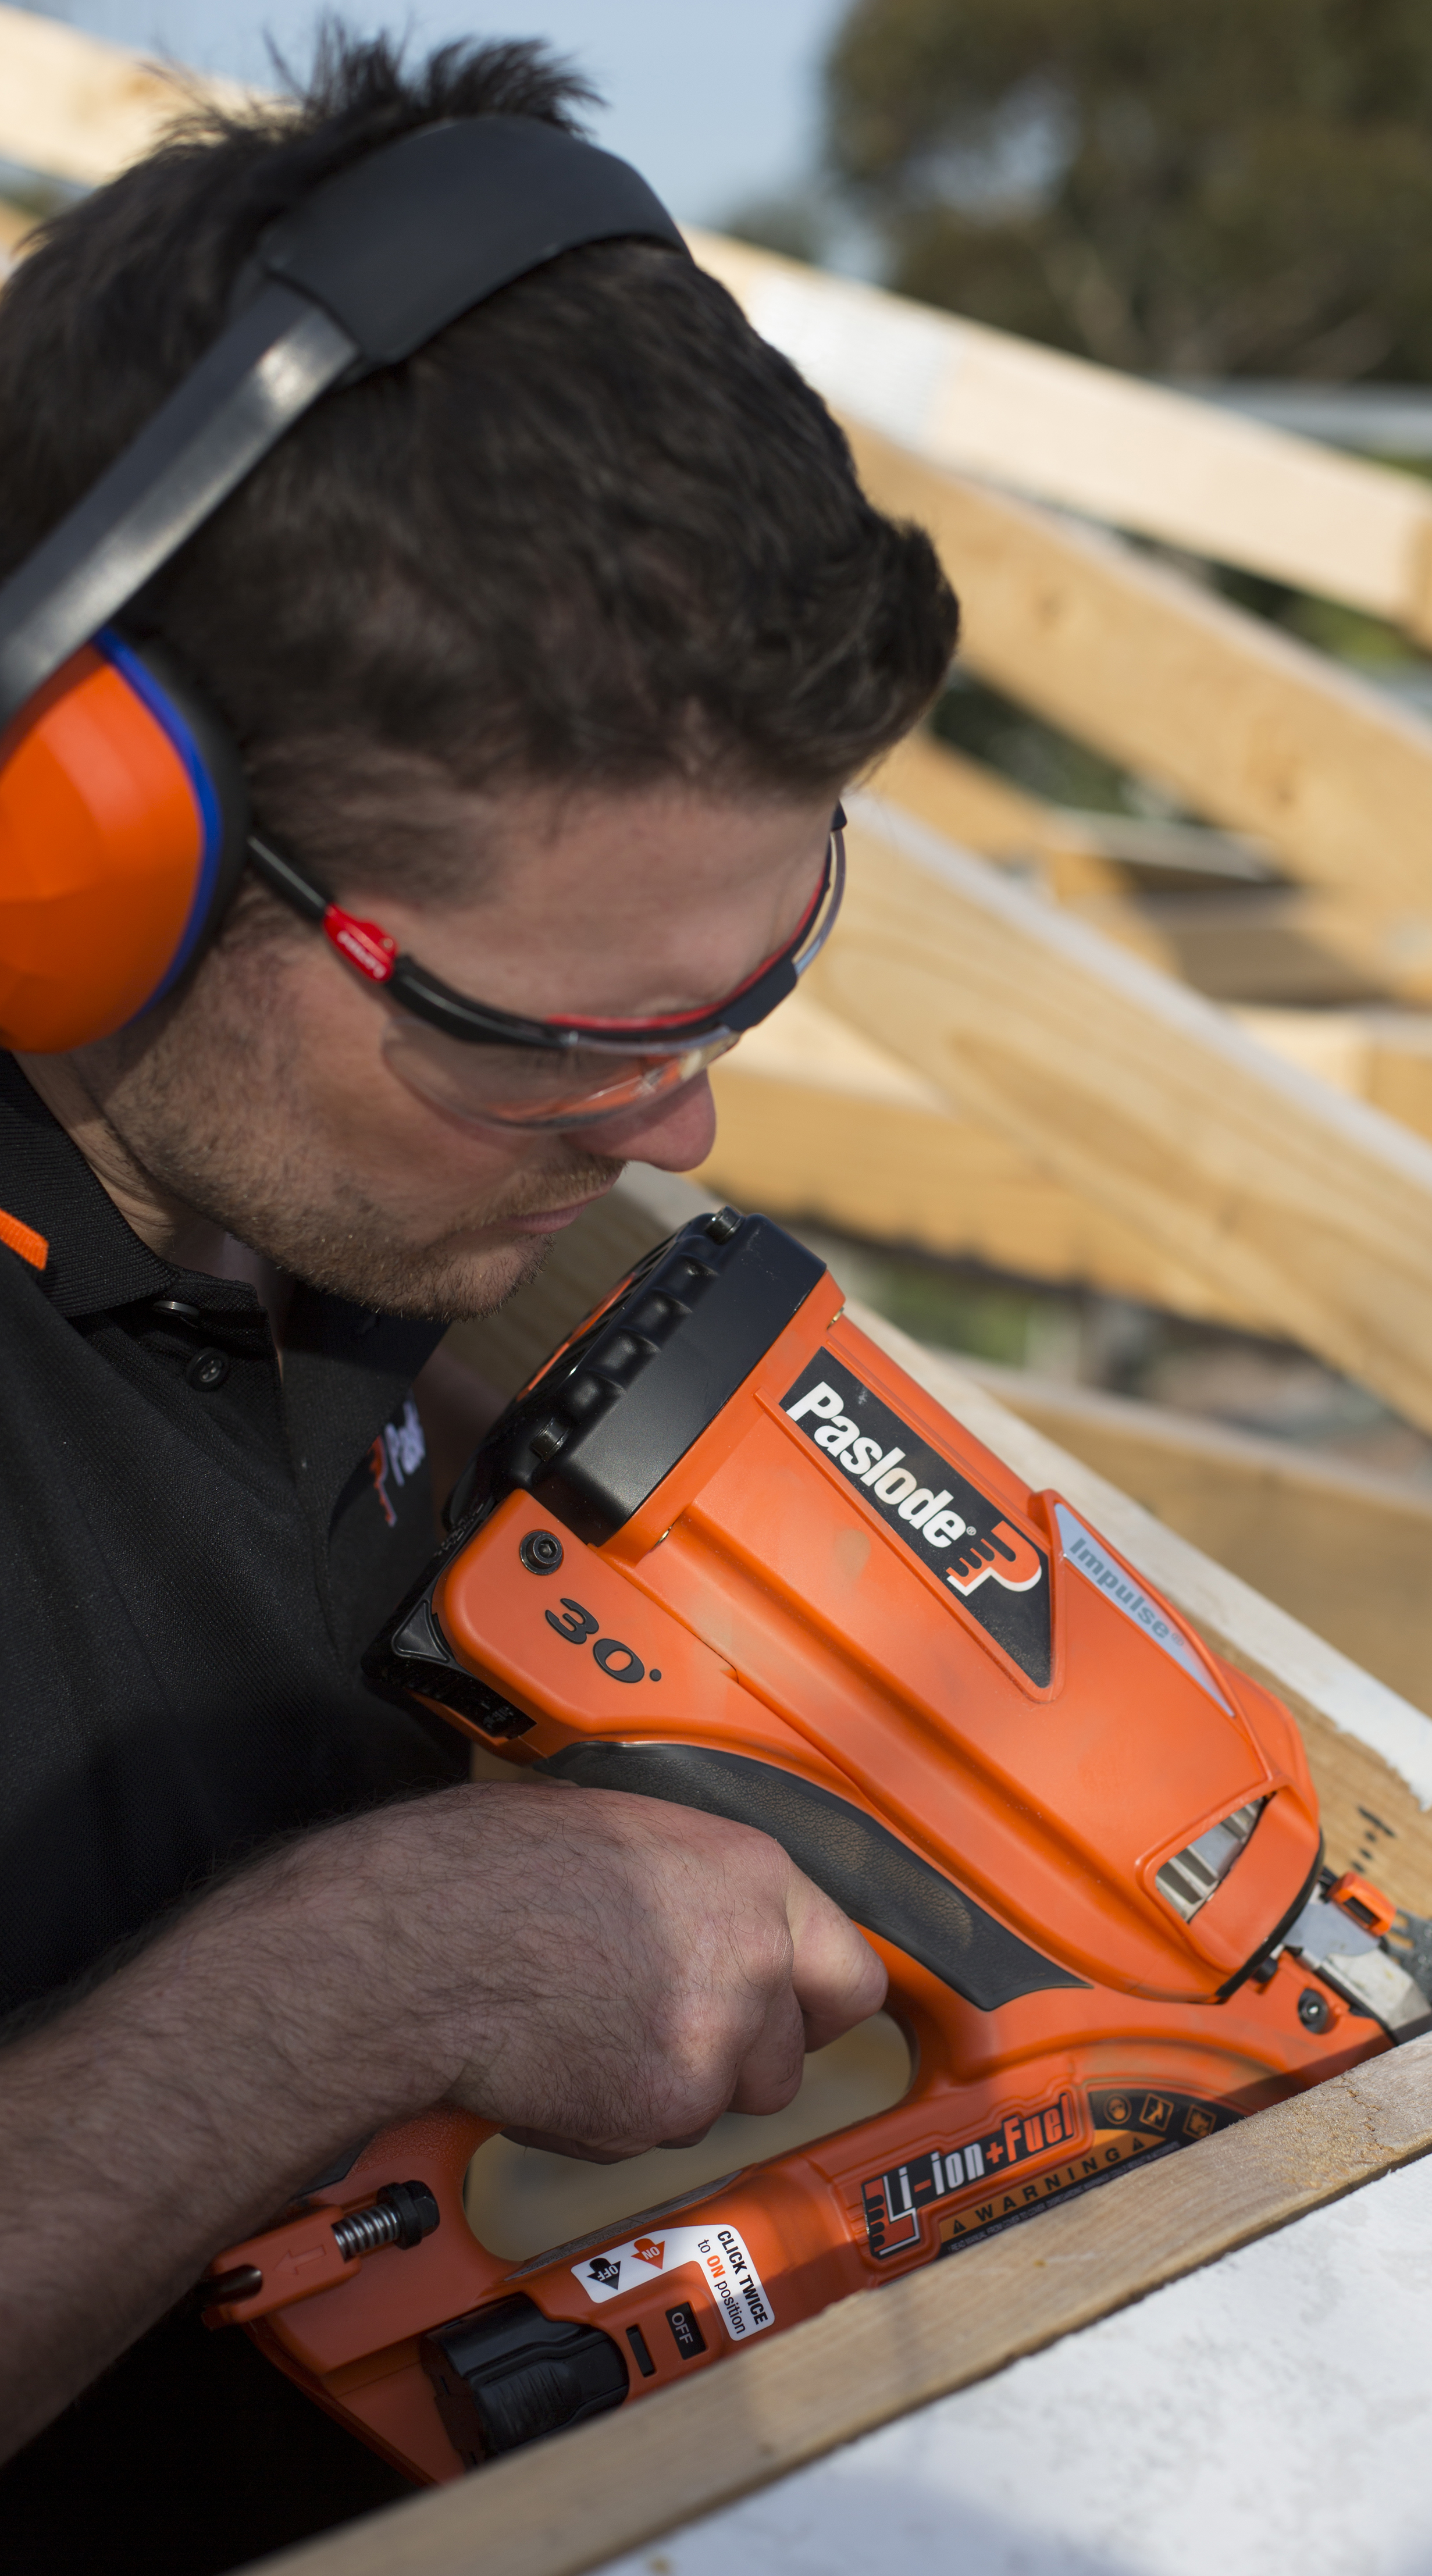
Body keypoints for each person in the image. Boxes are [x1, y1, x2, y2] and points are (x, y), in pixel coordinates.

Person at [0, 29, 958, 2567]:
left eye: (755, 982)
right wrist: (347, 1984)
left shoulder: (394, 1243)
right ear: (82, 850)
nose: (682, 1135)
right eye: (560, 1040)